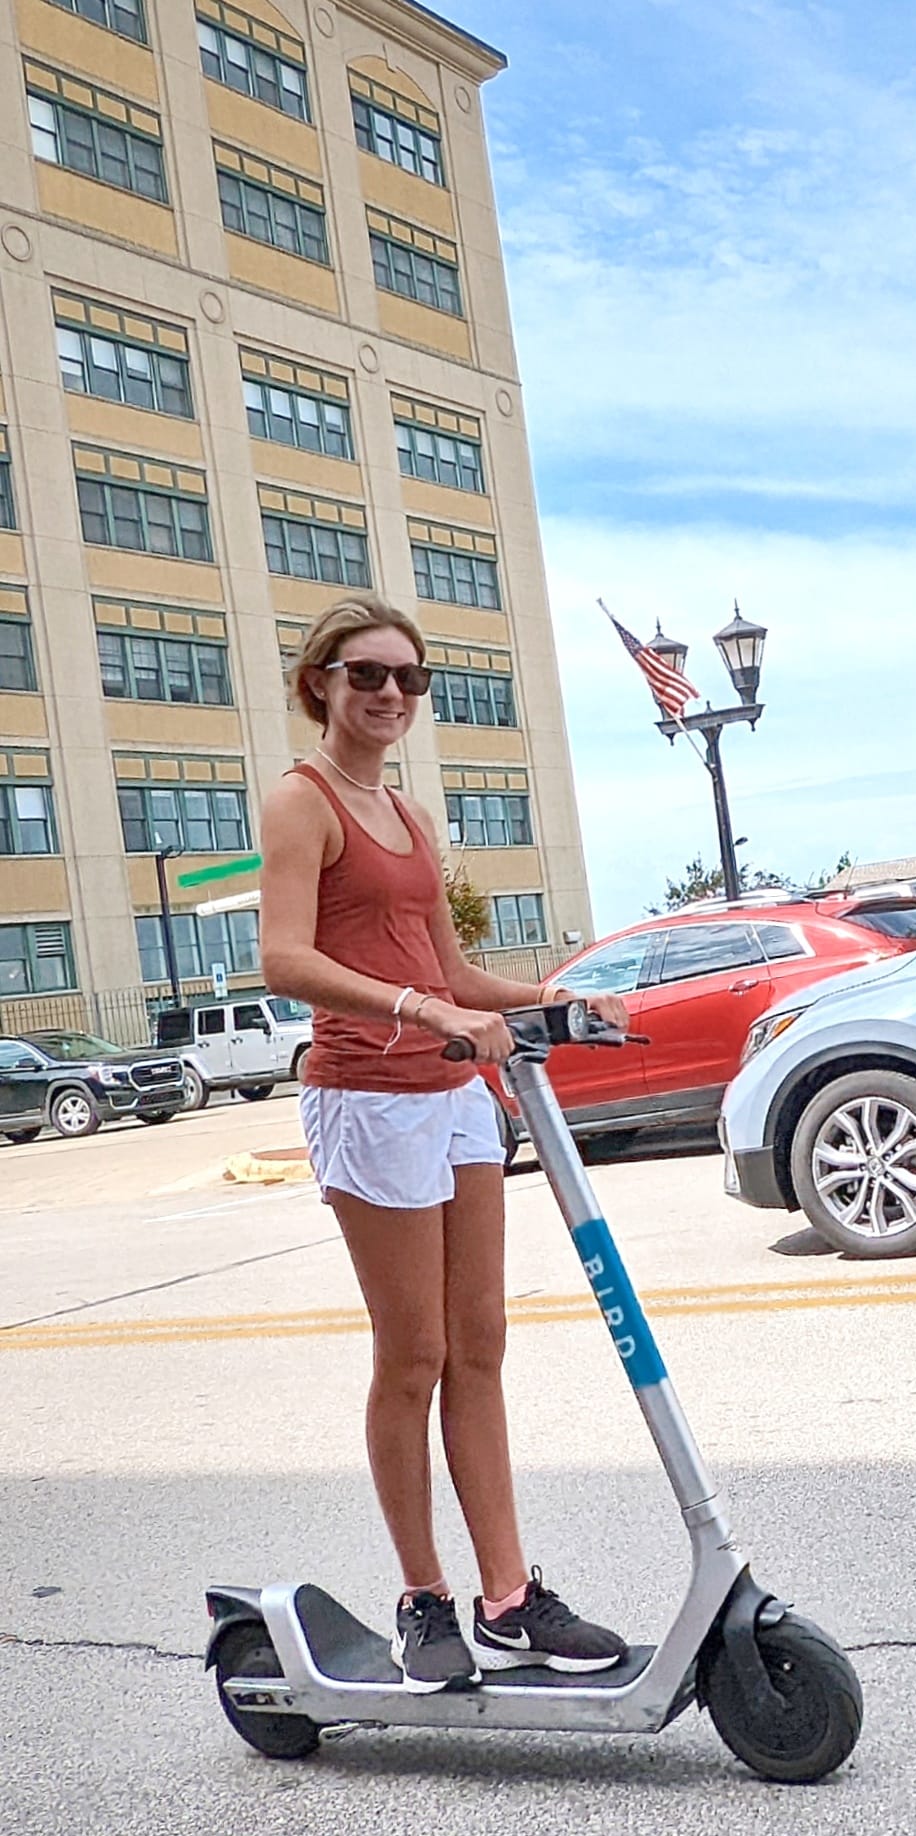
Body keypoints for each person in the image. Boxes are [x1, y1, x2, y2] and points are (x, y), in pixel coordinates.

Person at [260, 595, 630, 1693]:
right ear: (320, 681)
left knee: (480, 1345)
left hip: (458, 1095)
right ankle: (424, 1598)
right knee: (411, 1353)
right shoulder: (303, 801)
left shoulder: (413, 819)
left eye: (409, 679)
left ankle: (510, 1598)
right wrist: (422, 1016)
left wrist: (555, 996)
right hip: (369, 1096)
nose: (389, 695)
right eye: (366, 674)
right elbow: (285, 958)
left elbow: (454, 973)